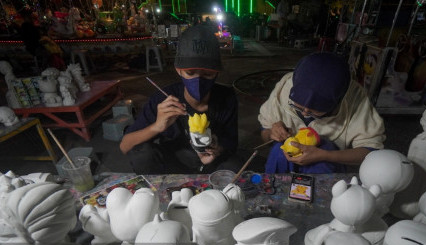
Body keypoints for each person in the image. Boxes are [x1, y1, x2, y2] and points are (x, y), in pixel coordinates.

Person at [120, 25, 240, 174]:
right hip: (174, 164)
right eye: (190, 73)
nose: (198, 80)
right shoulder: (163, 100)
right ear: (179, 70)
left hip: (212, 164)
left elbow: (231, 143)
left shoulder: (226, 97)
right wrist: (157, 126)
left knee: (235, 166)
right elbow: (125, 146)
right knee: (142, 154)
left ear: (217, 73)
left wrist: (218, 149)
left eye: (207, 74)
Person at [258, 52, 385, 173]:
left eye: (315, 111)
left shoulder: (355, 98)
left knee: (324, 154)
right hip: (286, 160)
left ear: (337, 102)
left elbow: (370, 152)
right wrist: (271, 134)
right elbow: (265, 133)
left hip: (327, 162)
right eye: (299, 107)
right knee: (278, 151)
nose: (306, 113)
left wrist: (326, 156)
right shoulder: (284, 88)